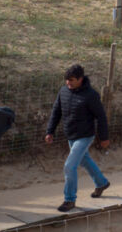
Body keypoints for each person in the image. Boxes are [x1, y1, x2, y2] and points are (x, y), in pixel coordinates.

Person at [45, 65, 111, 212]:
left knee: (69, 166)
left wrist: (104, 137)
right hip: (71, 135)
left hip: (85, 135)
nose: (68, 83)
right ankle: (101, 183)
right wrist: (50, 131)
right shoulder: (63, 91)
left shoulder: (91, 95)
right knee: (84, 159)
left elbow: (101, 117)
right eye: (66, 80)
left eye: (72, 80)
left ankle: (69, 200)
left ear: (80, 79)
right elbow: (56, 112)